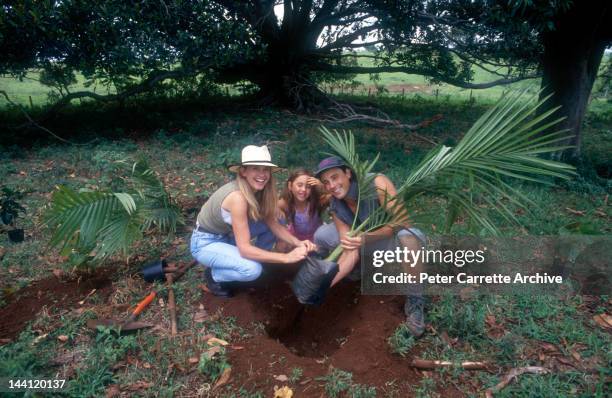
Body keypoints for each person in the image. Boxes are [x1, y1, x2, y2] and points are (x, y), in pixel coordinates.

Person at [312, 156, 427, 337]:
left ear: (348, 173)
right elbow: (348, 250)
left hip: (388, 243)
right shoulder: (335, 204)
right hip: (363, 246)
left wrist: (367, 238)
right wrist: (325, 284)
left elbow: (404, 222)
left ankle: (415, 301)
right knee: (322, 234)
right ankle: (358, 272)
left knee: (412, 238)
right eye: (326, 182)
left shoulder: (377, 183)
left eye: (335, 177)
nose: (331, 186)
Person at [190, 145, 317, 297]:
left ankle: (258, 260)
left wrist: (298, 243)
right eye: (255, 168)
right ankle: (214, 275)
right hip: (205, 242)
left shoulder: (261, 191)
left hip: (227, 236)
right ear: (243, 171)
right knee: (252, 270)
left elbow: (273, 224)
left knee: (278, 219)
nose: (262, 174)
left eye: (265, 169)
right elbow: (244, 248)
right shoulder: (237, 197)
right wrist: (286, 257)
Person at [278, 168, 329, 242]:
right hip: (296, 237)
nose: (304, 189)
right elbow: (270, 206)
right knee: (281, 246)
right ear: (290, 186)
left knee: (317, 252)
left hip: (316, 238)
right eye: (299, 185)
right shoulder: (286, 203)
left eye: (308, 187)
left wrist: (323, 187)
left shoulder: (317, 202)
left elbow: (333, 197)